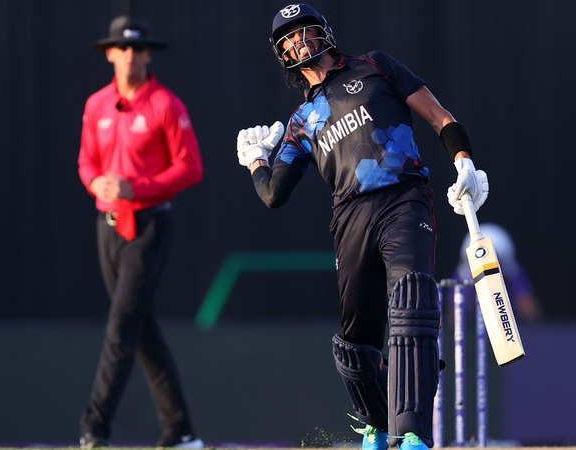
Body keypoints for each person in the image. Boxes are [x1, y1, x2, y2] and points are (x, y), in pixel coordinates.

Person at [235, 4, 489, 450]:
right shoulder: (299, 124)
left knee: (411, 304)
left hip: (404, 198)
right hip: (349, 218)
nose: (299, 41)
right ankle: (375, 424)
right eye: (288, 38)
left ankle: (411, 434)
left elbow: (440, 117)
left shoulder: (376, 66)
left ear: (323, 32)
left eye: (304, 30)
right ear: (282, 53)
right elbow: (274, 194)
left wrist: (463, 160)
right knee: (358, 341)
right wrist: (256, 160)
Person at [77, 15, 204, 449]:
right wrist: (96, 183)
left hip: (149, 225)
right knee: (140, 329)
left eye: (138, 48)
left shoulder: (166, 105)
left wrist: (138, 187)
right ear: (110, 53)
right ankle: (181, 432)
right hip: (108, 225)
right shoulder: (97, 104)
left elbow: (190, 167)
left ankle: (93, 427)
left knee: (121, 326)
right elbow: (86, 162)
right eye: (122, 48)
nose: (130, 56)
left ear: (149, 54)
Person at [451, 223, 543, 323]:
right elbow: (452, 318)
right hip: (472, 330)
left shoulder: (512, 272)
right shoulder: (463, 274)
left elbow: (530, 312)